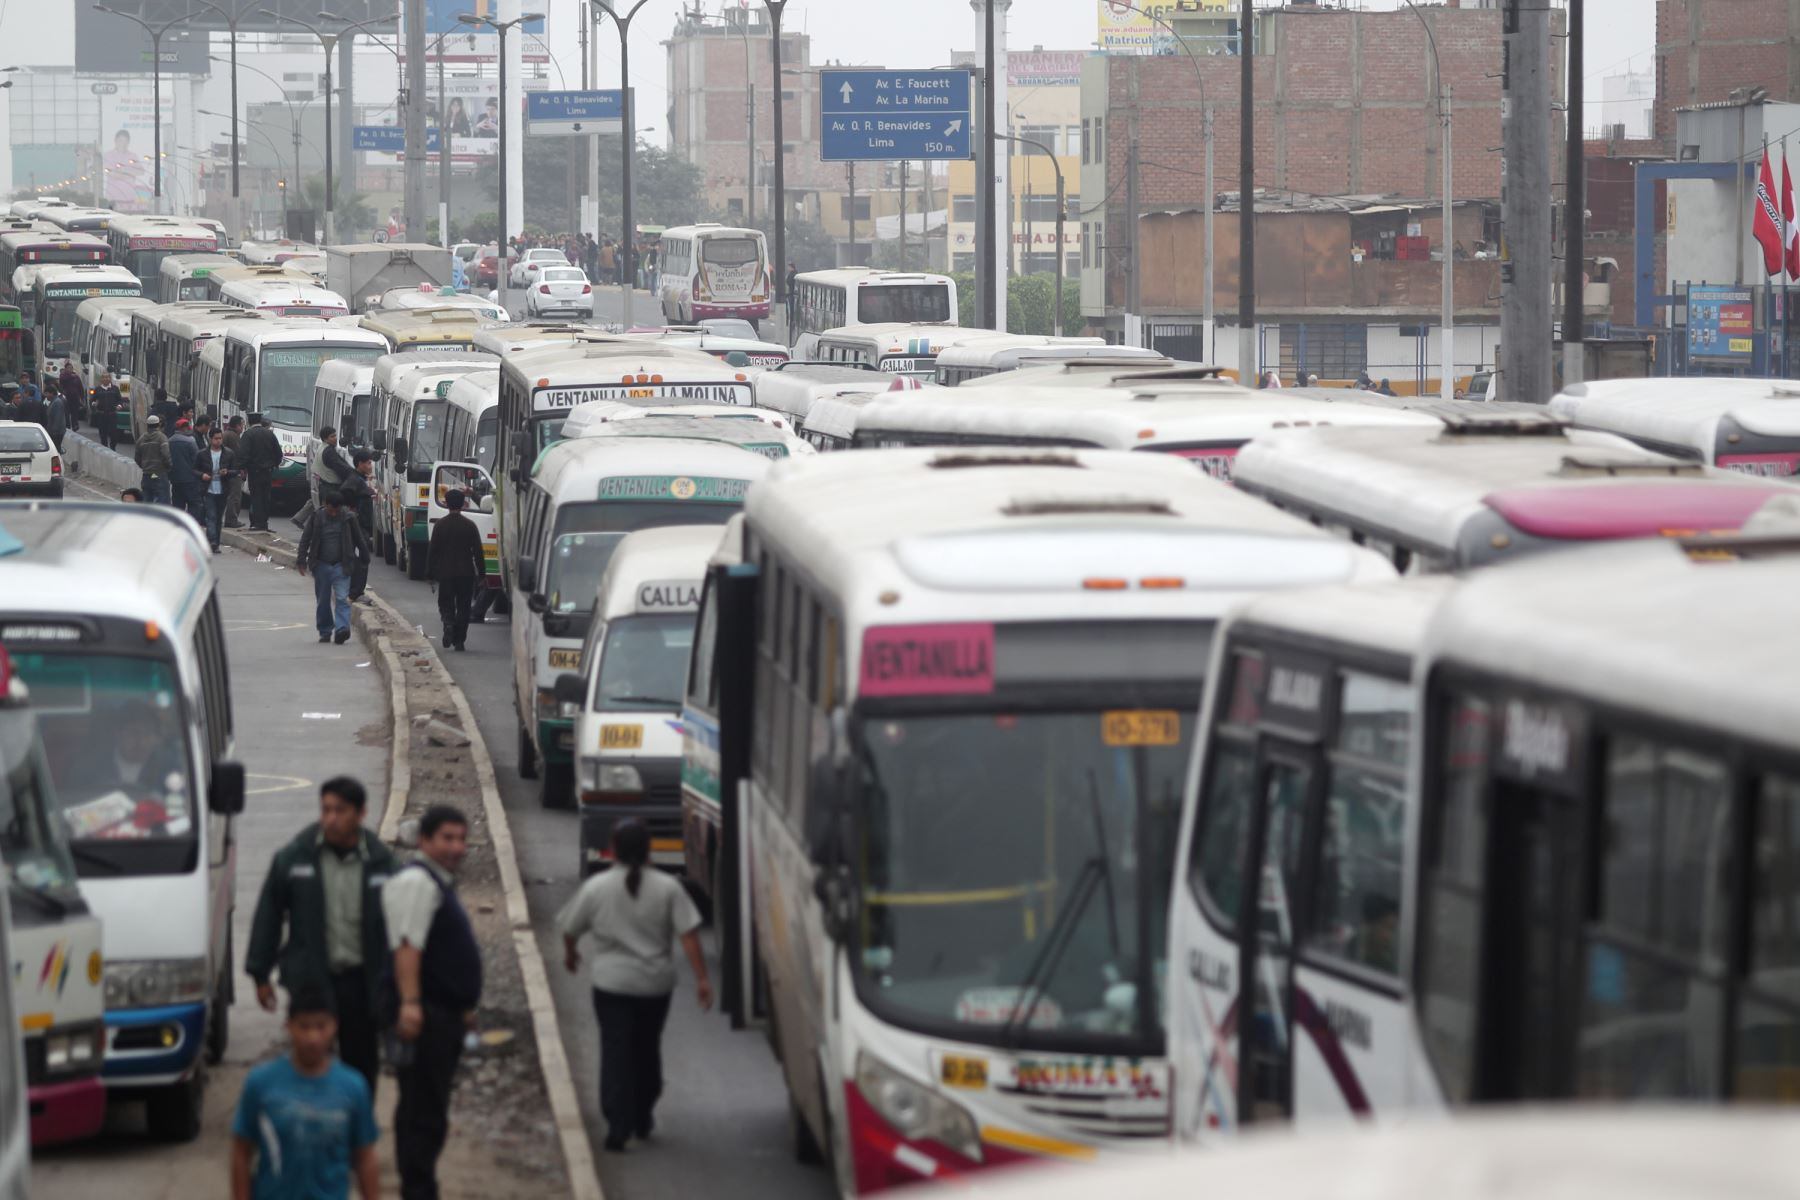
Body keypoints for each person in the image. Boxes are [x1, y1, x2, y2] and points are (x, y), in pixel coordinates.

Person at [559, 820, 710, 1151]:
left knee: (615, 1050)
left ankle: (617, 1123)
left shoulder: (597, 887)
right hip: (654, 987)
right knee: (646, 1048)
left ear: (612, 847)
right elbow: (689, 936)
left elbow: (570, 929)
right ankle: (642, 1114)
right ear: (649, 848)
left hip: (610, 985)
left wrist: (571, 956)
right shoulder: (669, 888)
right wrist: (701, 979)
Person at [246, 777, 397, 1098]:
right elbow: (269, 914)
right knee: (310, 1060)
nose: (330, 818)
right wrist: (260, 973)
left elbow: (399, 928)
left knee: (361, 1065)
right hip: (312, 980)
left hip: (361, 982)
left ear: (360, 813)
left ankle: (356, 1131)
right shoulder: (297, 857)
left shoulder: (380, 861)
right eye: (326, 809)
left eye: (340, 810)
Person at [382, 805, 481, 1200]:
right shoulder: (417, 883)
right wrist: (410, 1004)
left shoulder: (437, 881)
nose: (457, 847)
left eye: (462, 838)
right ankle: (417, 1190)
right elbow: (407, 946)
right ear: (424, 840)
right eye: (447, 838)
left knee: (428, 1109)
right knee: (422, 1113)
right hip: (426, 1018)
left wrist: (465, 1008)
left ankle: (420, 1186)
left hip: (444, 1014)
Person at [230, 986, 380, 1200]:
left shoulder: (353, 1087)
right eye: (304, 1026)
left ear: (334, 1026)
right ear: (289, 1027)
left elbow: (365, 1157)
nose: (312, 1037)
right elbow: (241, 1152)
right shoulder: (261, 1084)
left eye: (321, 1026)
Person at [296, 490, 370, 646]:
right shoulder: (317, 517)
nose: (334, 513)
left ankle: (342, 629)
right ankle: (325, 630)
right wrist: (301, 560)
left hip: (342, 565)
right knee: (323, 600)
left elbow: (359, 539)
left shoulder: (349, 518)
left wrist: (365, 556)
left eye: (337, 510)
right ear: (325, 505)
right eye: (331, 510)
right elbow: (306, 539)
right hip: (321, 565)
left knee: (342, 598)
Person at [426, 488, 485, 652]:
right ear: (464, 505)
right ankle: (459, 640)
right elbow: (478, 552)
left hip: (445, 573)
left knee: (446, 603)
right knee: (464, 606)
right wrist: (482, 574)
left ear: (446, 504)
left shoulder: (440, 525)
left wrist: (430, 574)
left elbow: (433, 552)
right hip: (466, 573)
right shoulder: (470, 526)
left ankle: (448, 624)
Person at [340, 451, 378, 604]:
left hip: (361, 525)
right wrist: (353, 510)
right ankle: (356, 592)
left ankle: (355, 591)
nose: (370, 466)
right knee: (362, 558)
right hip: (358, 525)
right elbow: (345, 493)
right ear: (360, 464)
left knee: (359, 558)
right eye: (368, 463)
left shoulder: (360, 479)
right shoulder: (354, 480)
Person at [294, 426, 349, 530]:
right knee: (328, 513)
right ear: (325, 439)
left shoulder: (324, 447)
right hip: (330, 486)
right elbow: (341, 467)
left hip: (324, 483)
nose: (335, 438)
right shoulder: (328, 451)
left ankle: (303, 522)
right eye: (332, 436)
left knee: (321, 510)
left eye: (335, 436)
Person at [240, 413, 283, 532]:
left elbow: (243, 454)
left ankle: (257, 523)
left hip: (254, 471)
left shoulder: (248, 434)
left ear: (249, 421)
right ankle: (264, 523)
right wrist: (275, 464)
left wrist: (242, 468)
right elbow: (278, 453)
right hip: (268, 471)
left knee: (256, 497)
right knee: (266, 497)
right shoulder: (269, 434)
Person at [199, 427, 238, 553]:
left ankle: (216, 543)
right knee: (211, 516)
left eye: (220, 438)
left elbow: (235, 470)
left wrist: (227, 472)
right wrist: (202, 475)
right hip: (208, 490)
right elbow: (194, 469)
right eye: (216, 439)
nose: (218, 441)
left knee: (218, 518)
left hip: (223, 490)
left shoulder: (229, 454)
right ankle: (212, 541)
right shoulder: (202, 454)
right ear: (210, 439)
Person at [134, 413, 173, 505]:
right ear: (158, 424)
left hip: (147, 475)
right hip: (159, 474)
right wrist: (168, 467)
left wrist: (145, 466)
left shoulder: (141, 439)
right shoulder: (162, 438)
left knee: (147, 501)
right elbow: (166, 455)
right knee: (163, 501)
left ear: (147, 425)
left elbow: (137, 458)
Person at [169, 417, 202, 521]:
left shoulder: (169, 441)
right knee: (194, 504)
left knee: (178, 506)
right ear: (184, 428)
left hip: (175, 480)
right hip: (190, 480)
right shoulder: (190, 441)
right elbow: (197, 459)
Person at [222, 415, 247, 527]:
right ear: (237, 426)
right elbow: (238, 455)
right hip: (233, 471)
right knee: (235, 496)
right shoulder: (233, 436)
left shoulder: (226, 434)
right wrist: (241, 469)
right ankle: (232, 520)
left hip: (226, 470)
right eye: (242, 425)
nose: (242, 428)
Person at [91, 371, 123, 451]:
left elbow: (120, 400)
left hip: (112, 415)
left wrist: (119, 406)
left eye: (107, 377)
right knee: (103, 434)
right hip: (101, 415)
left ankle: (113, 447)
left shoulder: (115, 389)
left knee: (113, 434)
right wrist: (94, 404)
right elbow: (92, 400)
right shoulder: (98, 389)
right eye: (104, 377)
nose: (106, 379)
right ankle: (104, 449)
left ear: (110, 379)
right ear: (101, 379)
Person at [57, 360, 84, 429]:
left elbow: (80, 387)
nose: (70, 369)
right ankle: (67, 426)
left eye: (71, 368)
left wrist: (81, 397)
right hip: (66, 397)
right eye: (68, 368)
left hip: (75, 397)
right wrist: (71, 376)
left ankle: (75, 425)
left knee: (74, 412)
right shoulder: (63, 376)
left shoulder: (76, 377)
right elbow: (62, 382)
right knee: (66, 412)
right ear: (65, 369)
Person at [42, 379, 67, 452]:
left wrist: (53, 432)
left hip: (56, 433)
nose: (45, 396)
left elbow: (57, 419)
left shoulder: (57, 403)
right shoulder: (53, 402)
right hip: (54, 432)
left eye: (46, 393)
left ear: (52, 393)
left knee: (55, 450)